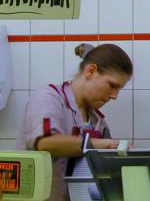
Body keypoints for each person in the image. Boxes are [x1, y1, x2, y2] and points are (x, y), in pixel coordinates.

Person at [16, 43, 133, 201]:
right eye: (112, 86)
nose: (114, 96)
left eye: (119, 90)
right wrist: (104, 144)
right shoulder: (49, 97)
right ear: (91, 71)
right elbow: (45, 143)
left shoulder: (98, 122)